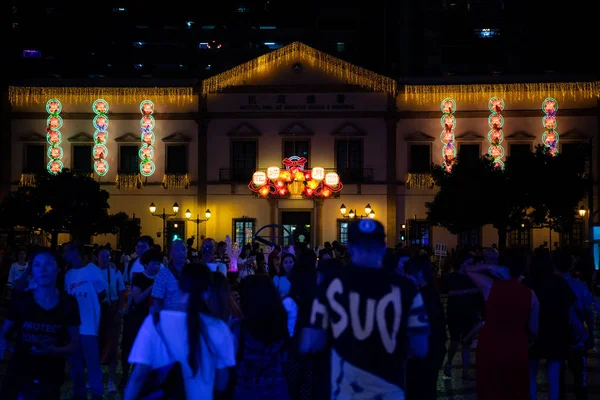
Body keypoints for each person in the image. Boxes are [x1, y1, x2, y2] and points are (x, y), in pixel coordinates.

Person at [300, 219, 429, 399]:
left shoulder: (330, 286)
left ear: (350, 247)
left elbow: (312, 343)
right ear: (384, 247)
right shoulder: (407, 289)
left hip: (346, 392)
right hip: (390, 390)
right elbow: (421, 348)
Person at [125, 263, 236, 399]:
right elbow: (221, 384)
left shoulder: (155, 322)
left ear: (180, 286)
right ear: (208, 289)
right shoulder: (219, 328)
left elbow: (138, 376)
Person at [0, 248, 81, 400]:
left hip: (50, 375)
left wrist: (54, 350)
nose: (42, 269)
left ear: (58, 269)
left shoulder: (68, 303)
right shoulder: (22, 300)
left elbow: (75, 344)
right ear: (32, 270)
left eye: (48, 264)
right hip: (19, 372)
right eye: (37, 265)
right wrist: (4, 344)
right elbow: (5, 331)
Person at [467, 250, 539, 400]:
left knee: (489, 391)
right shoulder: (531, 295)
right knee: (514, 392)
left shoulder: (490, 287)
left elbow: (468, 270)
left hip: (489, 347)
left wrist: (491, 268)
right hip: (516, 348)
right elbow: (534, 329)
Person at [234, 275, 290, 399]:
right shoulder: (281, 325)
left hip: (247, 391)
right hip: (276, 390)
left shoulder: (239, 329)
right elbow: (286, 359)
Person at [63, 242, 107, 400]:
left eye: (66, 251)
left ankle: (97, 391)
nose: (64, 255)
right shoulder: (67, 275)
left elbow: (102, 294)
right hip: (74, 326)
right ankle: (78, 391)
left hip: (88, 324)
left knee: (92, 359)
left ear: (75, 252)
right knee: (75, 361)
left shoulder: (92, 270)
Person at [405, 256, 447, 400]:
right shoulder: (430, 293)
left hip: (425, 357)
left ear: (419, 273)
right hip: (431, 354)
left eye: (410, 273)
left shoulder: (423, 297)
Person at [120, 248, 162, 388]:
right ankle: (126, 377)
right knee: (129, 348)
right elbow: (137, 299)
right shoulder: (139, 278)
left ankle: (140, 379)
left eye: (158, 264)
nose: (156, 267)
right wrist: (151, 287)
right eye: (154, 264)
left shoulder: (160, 278)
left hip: (150, 319)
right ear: (146, 264)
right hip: (136, 318)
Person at [557, 250, 595, 400]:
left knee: (557, 375)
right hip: (577, 335)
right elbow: (588, 311)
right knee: (579, 375)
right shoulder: (580, 286)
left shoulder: (550, 285)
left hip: (557, 335)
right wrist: (590, 333)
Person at [442, 252, 482, 379]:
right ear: (462, 263)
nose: (471, 266)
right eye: (469, 263)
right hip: (455, 312)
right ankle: (449, 363)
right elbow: (450, 292)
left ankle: (465, 371)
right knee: (454, 341)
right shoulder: (452, 276)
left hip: (470, 312)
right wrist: (468, 291)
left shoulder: (473, 277)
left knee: (467, 342)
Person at [96, 248, 125, 393]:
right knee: (96, 345)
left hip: (111, 309)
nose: (105, 259)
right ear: (97, 258)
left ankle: (111, 379)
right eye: (102, 256)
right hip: (97, 311)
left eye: (107, 256)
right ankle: (95, 378)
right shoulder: (92, 273)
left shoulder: (116, 273)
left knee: (112, 345)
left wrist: (120, 310)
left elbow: (121, 292)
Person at [152, 239, 187, 312]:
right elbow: (157, 302)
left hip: (189, 319)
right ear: (171, 254)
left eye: (184, 249)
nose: (182, 253)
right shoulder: (162, 275)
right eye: (178, 250)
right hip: (170, 318)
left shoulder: (191, 272)